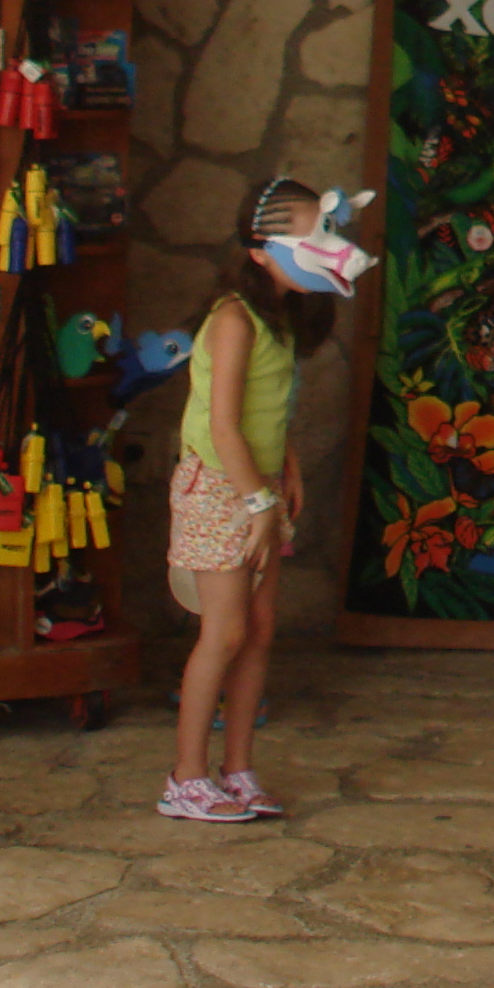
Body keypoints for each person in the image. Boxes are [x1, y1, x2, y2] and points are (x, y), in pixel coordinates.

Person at [159, 176, 369, 824]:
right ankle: (186, 778)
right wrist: (257, 502)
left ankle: (238, 769)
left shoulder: (278, 319)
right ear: (259, 250)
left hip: (260, 487)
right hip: (223, 489)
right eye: (307, 234)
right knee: (224, 632)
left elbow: (266, 410)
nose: (324, 245)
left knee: (257, 631)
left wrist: (287, 468)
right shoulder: (233, 319)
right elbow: (223, 426)